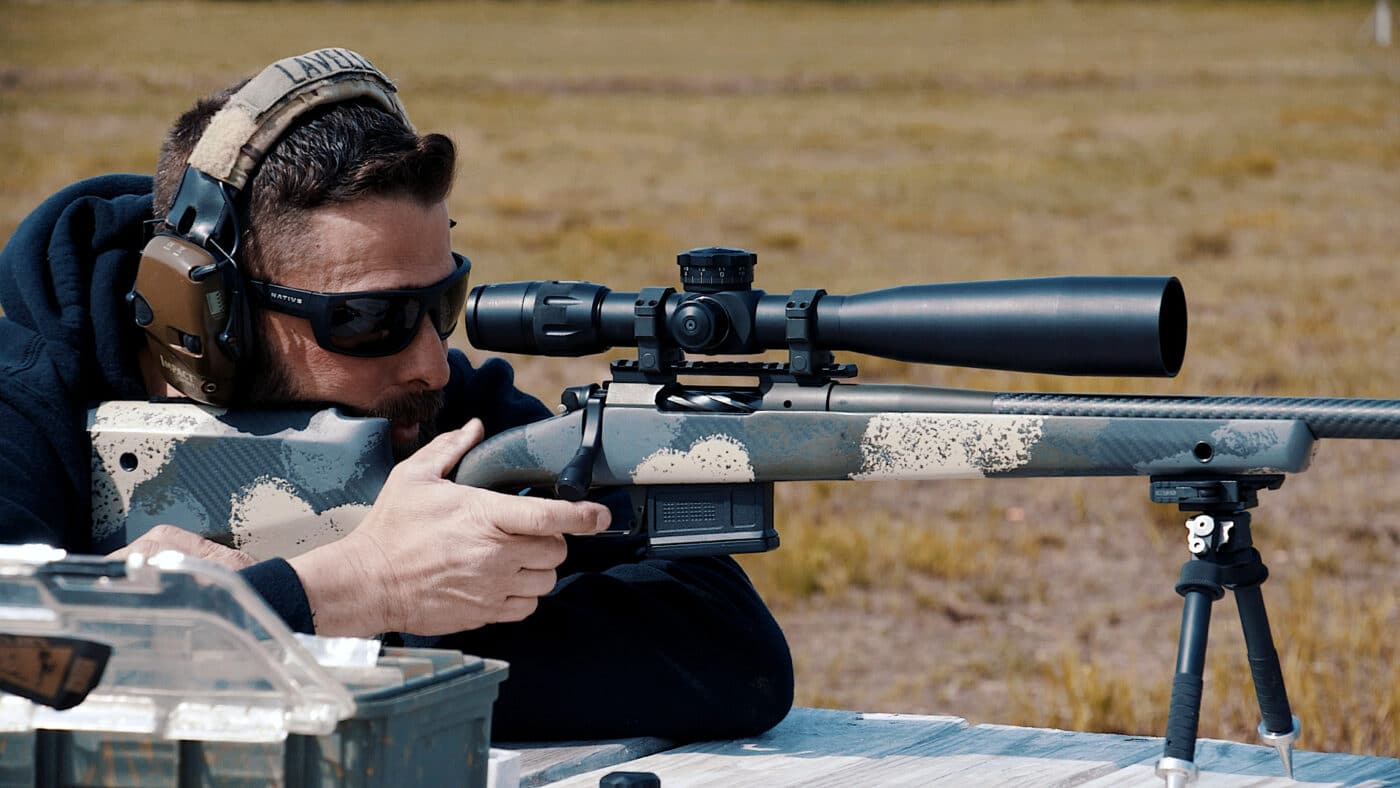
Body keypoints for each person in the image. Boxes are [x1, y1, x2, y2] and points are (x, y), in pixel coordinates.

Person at [0, 49, 793, 741]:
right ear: (206, 316)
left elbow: (729, 652)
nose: (433, 364)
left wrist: (357, 624)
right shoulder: (20, 404)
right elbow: (20, 669)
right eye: (368, 320)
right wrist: (358, 586)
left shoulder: (416, 405)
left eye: (441, 304)